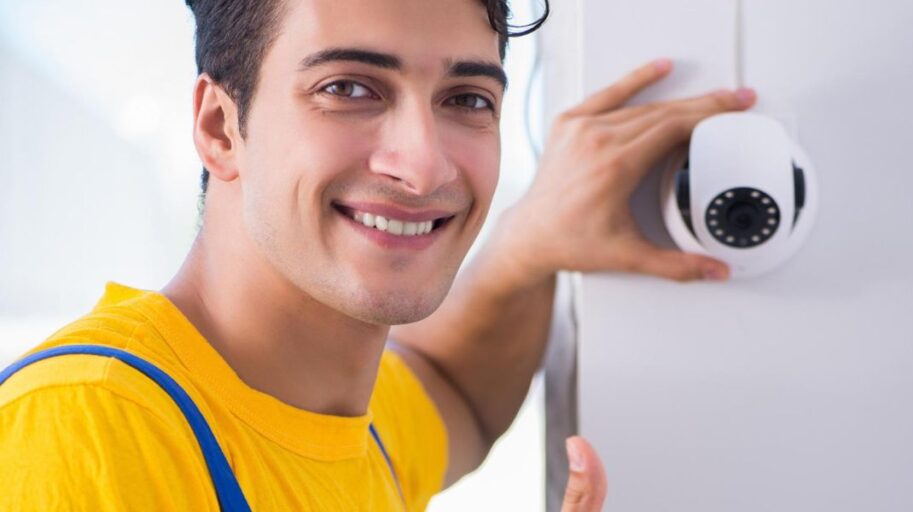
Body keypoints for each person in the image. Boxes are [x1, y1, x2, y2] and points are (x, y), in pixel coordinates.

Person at [0, 0, 755, 510]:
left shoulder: (363, 426)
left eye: (467, 99)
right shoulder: (86, 436)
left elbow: (454, 387)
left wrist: (534, 238)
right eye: (350, 87)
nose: (423, 167)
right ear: (220, 128)